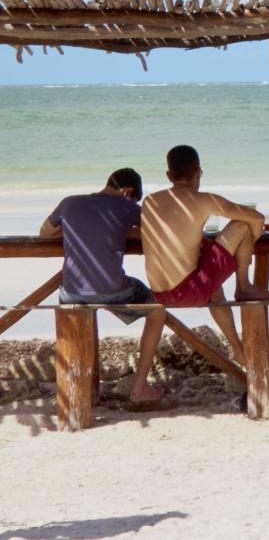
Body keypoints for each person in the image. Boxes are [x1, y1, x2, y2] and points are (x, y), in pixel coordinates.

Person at [39, 168, 166, 405]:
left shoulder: (70, 203)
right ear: (127, 191)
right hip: (113, 292)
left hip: (71, 294)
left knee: (82, 310)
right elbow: (155, 232)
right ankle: (139, 388)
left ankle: (77, 392)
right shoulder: (128, 207)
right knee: (157, 312)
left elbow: (45, 232)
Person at [140, 145, 269, 362]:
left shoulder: (150, 202)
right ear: (199, 172)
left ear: (168, 175)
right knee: (241, 226)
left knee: (214, 287)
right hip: (189, 292)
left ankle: (238, 350)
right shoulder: (203, 199)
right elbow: (256, 218)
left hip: (158, 293)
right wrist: (246, 246)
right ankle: (243, 287)